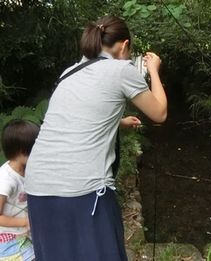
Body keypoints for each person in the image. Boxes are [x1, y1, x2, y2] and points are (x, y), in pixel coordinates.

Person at [25, 15, 167, 261]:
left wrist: (119, 122)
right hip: (83, 187)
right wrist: (154, 70)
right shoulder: (121, 68)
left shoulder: (69, 72)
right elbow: (159, 113)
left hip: (38, 185)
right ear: (124, 46)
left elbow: (73, 119)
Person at [0, 120, 39, 261]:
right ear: (23, 151)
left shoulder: (27, 171)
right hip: (9, 241)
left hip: (24, 235)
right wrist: (25, 222)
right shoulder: (5, 180)